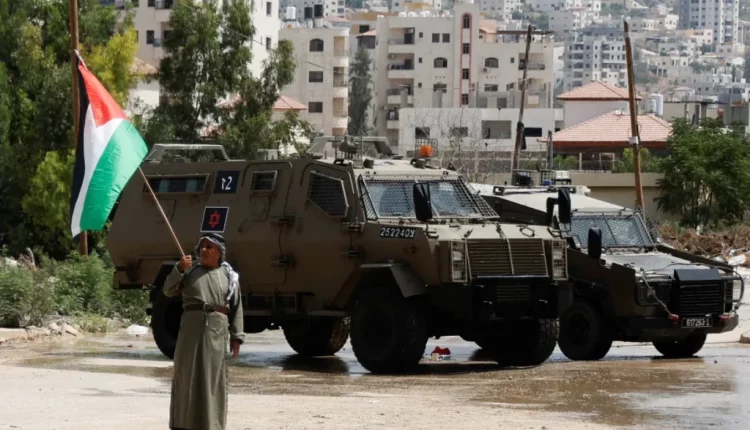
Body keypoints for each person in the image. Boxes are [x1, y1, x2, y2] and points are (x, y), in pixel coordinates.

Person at [163, 232, 244, 430]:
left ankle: (211, 424)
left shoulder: (229, 276)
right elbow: (168, 290)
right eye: (202, 247)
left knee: (212, 377)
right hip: (191, 330)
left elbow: (236, 307)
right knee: (187, 374)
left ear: (219, 252)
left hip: (216, 331)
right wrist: (179, 269)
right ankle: (183, 423)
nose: (204, 250)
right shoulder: (189, 270)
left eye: (209, 247)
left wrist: (237, 336)